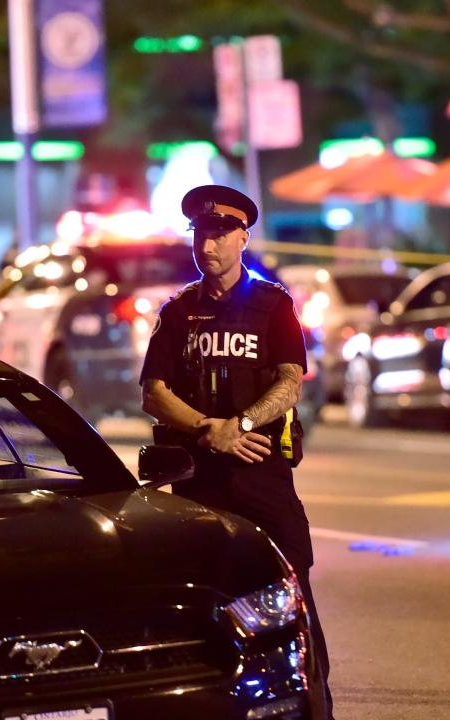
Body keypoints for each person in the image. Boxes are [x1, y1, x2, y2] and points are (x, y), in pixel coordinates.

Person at [140, 184, 334, 720]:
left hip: (260, 472)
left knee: (294, 590)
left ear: (243, 237)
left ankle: (314, 705)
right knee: (202, 601)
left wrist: (241, 424)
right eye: (202, 234)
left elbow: (290, 382)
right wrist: (208, 429)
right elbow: (154, 393)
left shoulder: (273, 305)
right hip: (198, 475)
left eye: (221, 234)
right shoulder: (177, 312)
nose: (209, 245)